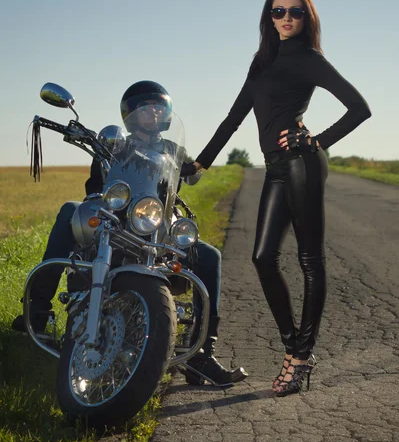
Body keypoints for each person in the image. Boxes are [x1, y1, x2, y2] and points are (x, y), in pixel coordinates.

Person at [186, 0, 371, 397]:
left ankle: (300, 358)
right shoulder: (262, 61)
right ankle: (295, 348)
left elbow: (359, 107)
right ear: (268, 18)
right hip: (274, 167)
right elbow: (234, 117)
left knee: (310, 259)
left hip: (303, 164)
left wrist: (316, 140)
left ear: (307, 17)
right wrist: (201, 162)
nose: (286, 18)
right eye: (278, 11)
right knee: (262, 257)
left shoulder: (310, 58)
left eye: (295, 11)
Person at [12, 81, 248, 387]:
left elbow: (183, 179)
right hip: (114, 218)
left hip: (154, 227)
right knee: (71, 210)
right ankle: (39, 311)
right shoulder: (114, 144)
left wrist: (194, 167)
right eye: (146, 105)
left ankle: (201, 353)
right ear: (130, 113)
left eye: (159, 106)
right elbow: (95, 188)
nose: (154, 110)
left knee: (209, 255)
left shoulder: (173, 150)